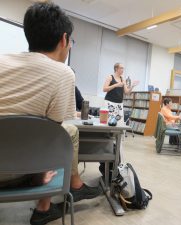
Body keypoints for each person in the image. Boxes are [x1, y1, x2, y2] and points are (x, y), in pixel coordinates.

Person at [0, 3, 101, 225]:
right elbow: (52, 132)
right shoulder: (63, 72)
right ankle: (47, 205)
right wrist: (37, 173)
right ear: (64, 40)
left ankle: (68, 188)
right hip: (19, 174)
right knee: (68, 132)